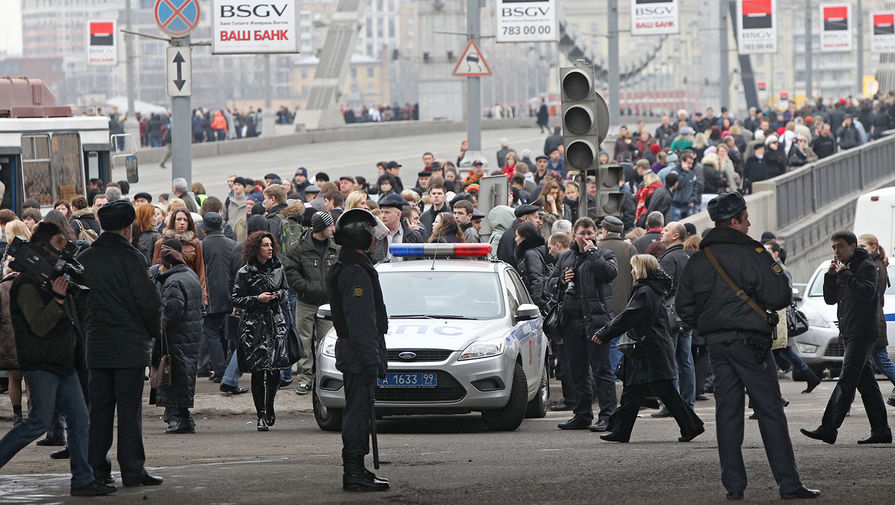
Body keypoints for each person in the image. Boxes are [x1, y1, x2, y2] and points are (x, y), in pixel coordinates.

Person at [676, 192, 818, 501]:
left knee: (727, 413)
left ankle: (734, 487)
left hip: (716, 342)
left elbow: (683, 307)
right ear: (736, 220)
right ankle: (789, 484)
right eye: (746, 217)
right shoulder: (754, 253)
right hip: (751, 342)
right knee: (770, 411)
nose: (750, 223)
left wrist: (708, 324)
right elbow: (780, 296)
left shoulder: (700, 258)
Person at [0, 222, 116, 496]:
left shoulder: (47, 279)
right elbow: (39, 325)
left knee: (80, 420)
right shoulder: (27, 284)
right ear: (43, 246)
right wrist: (57, 299)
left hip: (62, 363)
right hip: (42, 365)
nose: (64, 247)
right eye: (59, 242)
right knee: (38, 422)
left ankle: (83, 480)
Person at [78, 200, 164, 488]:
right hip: (129, 348)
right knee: (129, 413)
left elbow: (76, 304)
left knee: (98, 411)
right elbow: (149, 304)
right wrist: (155, 338)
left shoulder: (86, 258)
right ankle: (132, 469)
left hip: (97, 346)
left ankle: (96, 470)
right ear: (129, 228)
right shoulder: (133, 259)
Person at [592, 254, 704, 443]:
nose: (631, 271)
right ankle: (622, 430)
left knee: (653, 391)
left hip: (649, 349)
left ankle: (690, 425)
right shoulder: (651, 289)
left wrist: (605, 333)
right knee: (638, 391)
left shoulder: (645, 291)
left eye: (633, 268)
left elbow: (629, 316)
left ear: (641, 269)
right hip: (651, 347)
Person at [801, 231, 892, 445]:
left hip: (863, 332)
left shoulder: (866, 266)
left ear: (852, 247)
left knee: (847, 379)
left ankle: (829, 427)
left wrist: (845, 275)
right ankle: (881, 431)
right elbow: (831, 299)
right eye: (833, 247)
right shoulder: (843, 268)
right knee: (866, 383)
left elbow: (868, 293)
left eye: (840, 246)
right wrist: (831, 276)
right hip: (849, 331)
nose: (836, 251)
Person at [326, 208, 390, 492]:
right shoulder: (354, 271)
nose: (375, 240)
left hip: (355, 351)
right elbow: (361, 321)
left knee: (359, 412)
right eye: (370, 235)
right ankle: (353, 471)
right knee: (357, 414)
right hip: (357, 353)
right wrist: (371, 359)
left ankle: (357, 469)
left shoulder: (351, 265)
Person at [546, 217, 618, 432]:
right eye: (582, 234)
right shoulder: (566, 257)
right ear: (573, 235)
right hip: (570, 322)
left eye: (590, 234)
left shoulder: (604, 254)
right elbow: (549, 285)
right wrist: (561, 280)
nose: (586, 238)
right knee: (577, 371)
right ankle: (582, 414)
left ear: (596, 235)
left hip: (596, 321)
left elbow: (609, 274)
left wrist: (592, 252)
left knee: (601, 370)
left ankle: (608, 416)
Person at [232, 231, 291, 431]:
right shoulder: (245, 272)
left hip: (275, 323)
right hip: (254, 326)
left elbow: (286, 290)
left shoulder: (278, 268)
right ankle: (260, 414)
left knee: (275, 370)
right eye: (265, 245)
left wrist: (277, 295)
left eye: (271, 245)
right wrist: (257, 299)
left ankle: (270, 405)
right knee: (258, 371)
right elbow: (236, 299)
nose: (270, 248)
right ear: (256, 248)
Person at [283, 212, 339, 395]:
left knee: (326, 341)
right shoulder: (299, 248)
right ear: (321, 228)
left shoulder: (336, 247)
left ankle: (323, 376)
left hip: (328, 304)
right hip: (306, 301)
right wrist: (304, 287)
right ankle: (305, 378)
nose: (333, 229)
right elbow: (290, 270)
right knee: (304, 341)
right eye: (330, 225)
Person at [152, 239, 203, 434]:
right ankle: (184, 418)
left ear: (168, 265)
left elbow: (171, 312)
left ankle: (178, 419)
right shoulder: (189, 276)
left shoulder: (172, 281)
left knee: (173, 378)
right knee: (184, 376)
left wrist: (157, 327)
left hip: (175, 338)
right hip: (190, 336)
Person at [856, 234, 895, 406]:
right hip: (869, 321)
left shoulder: (875, 267)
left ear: (874, 247)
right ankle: (843, 403)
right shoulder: (873, 265)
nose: (859, 249)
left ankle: (842, 403)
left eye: (863, 246)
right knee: (855, 367)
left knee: (879, 361)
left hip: (871, 321)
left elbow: (870, 296)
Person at [200, 212, 238, 383]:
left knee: (211, 332)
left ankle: (221, 370)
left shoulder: (201, 246)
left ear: (204, 229)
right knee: (227, 333)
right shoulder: (233, 245)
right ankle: (226, 369)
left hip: (211, 298)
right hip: (231, 296)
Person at [514, 221, 549, 307]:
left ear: (525, 237)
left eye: (518, 236)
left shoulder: (530, 254)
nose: (516, 239)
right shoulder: (532, 251)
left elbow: (537, 279)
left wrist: (534, 304)